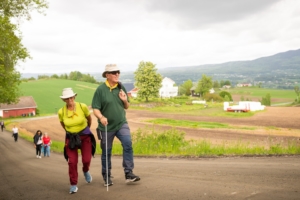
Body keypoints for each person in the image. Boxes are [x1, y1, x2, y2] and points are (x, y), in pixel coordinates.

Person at [92, 64, 140, 187]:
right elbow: (95, 109)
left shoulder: (121, 87)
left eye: (118, 72)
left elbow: (127, 106)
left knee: (128, 144)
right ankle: (106, 176)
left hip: (121, 123)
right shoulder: (100, 90)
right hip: (106, 127)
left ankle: (129, 173)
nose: (117, 74)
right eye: (114, 72)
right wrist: (101, 117)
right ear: (107, 75)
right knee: (106, 152)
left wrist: (124, 100)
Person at [58, 88, 96, 194]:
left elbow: (89, 119)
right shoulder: (61, 112)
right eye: (67, 98)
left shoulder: (82, 106)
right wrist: (71, 132)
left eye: (71, 97)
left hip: (85, 136)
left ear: (74, 97)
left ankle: (85, 170)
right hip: (71, 139)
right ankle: (73, 184)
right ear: (64, 100)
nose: (69, 99)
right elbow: (63, 124)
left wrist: (86, 129)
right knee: (72, 162)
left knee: (86, 159)